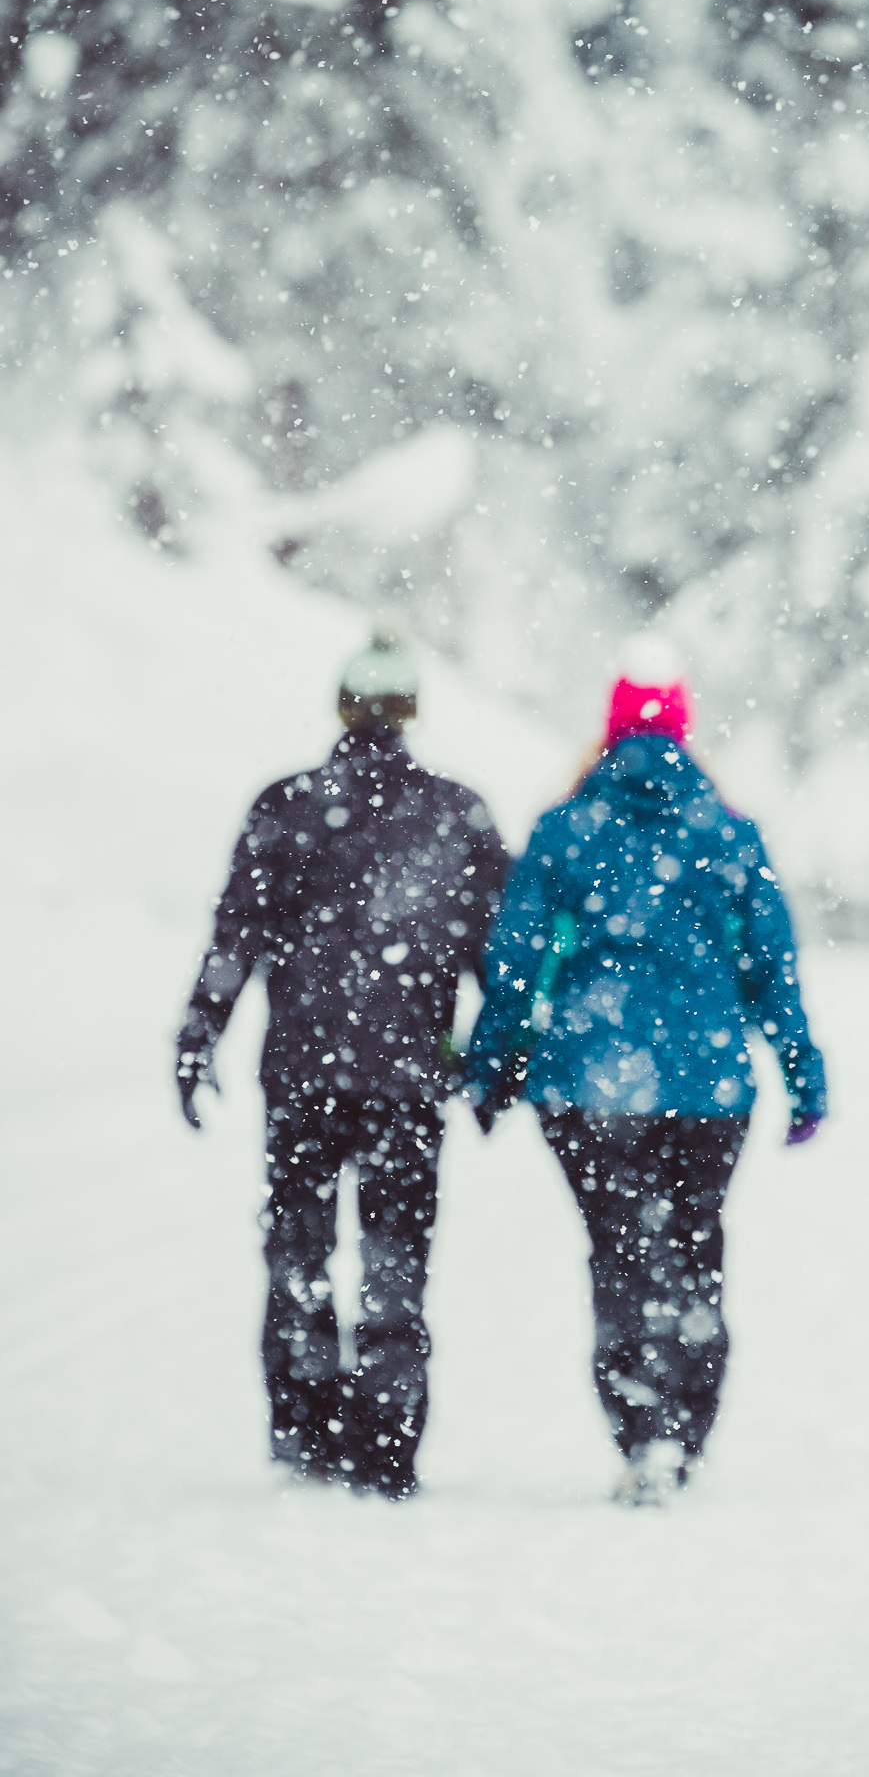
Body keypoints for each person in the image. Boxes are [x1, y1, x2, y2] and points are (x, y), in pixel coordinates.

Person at [464, 644, 826, 1505]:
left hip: (588, 1083)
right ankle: (685, 1430)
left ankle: (639, 1432)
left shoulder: (564, 830)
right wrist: (803, 1075)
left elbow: (512, 965)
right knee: (694, 1250)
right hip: (708, 1089)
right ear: (684, 729)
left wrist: (490, 1069)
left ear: (612, 726)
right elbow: (772, 966)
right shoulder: (728, 833)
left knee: (620, 1253)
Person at [176, 626, 507, 1499]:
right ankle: (388, 1443)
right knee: (396, 1259)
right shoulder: (455, 813)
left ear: (341, 707)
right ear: (411, 713)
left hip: (301, 1074)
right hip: (406, 1080)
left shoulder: (284, 806)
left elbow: (234, 938)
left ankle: (308, 1430)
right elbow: (496, 960)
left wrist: (198, 1033)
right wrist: (495, 1060)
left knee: (299, 1254)